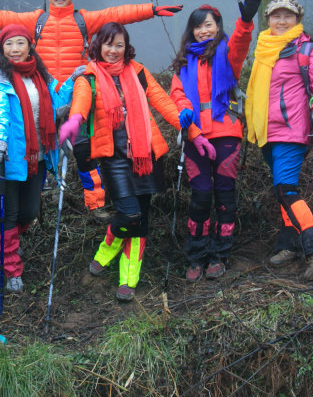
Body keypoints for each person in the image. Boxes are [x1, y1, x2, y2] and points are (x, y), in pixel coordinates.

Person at [0, 0, 183, 217]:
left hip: (78, 94)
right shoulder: (37, 20)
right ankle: (32, 204)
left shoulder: (84, 20)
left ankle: (95, 202)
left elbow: (118, 14)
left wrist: (151, 10)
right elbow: (1, 18)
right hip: (42, 95)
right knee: (35, 148)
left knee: (84, 151)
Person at [60, 22, 209, 301]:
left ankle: (128, 280)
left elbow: (164, 102)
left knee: (141, 219)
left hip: (144, 156)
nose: (114, 50)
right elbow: (81, 103)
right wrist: (74, 121)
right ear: (98, 46)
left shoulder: (138, 72)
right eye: (109, 44)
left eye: (119, 45)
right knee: (129, 214)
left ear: (126, 47)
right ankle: (106, 251)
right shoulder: (88, 77)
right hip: (114, 159)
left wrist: (192, 131)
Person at [169, 0, 260, 281]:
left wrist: (245, 21)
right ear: (191, 31)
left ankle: (220, 254)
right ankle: (196, 256)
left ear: (218, 26)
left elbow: (241, 44)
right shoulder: (184, 62)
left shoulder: (227, 54)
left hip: (226, 132)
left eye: (208, 24)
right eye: (198, 26)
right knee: (200, 196)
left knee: (224, 194)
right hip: (195, 135)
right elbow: (177, 94)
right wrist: (184, 111)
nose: (203, 30)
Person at [243, 0, 313, 281]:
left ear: (298, 19)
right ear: (268, 19)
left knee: (285, 189)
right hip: (266, 131)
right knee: (282, 189)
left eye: (288, 16)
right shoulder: (264, 48)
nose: (281, 21)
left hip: (291, 130)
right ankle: (291, 243)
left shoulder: (305, 49)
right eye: (276, 16)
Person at [0, 24, 73, 293]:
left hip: (38, 156)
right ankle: (12, 268)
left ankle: (4, 238)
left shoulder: (41, 76)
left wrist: (75, 80)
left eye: (20, 43)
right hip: (9, 156)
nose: (15, 49)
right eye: (9, 44)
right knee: (10, 214)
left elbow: (58, 101)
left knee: (30, 211)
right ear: (2, 49)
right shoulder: (0, 80)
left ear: (29, 46)